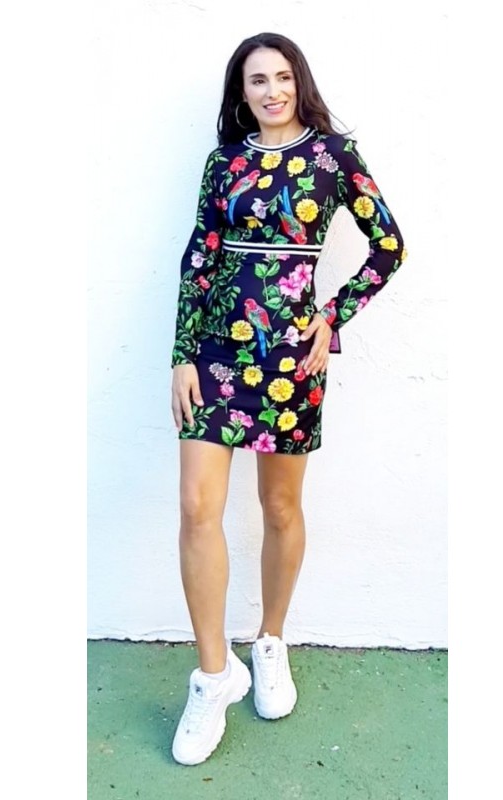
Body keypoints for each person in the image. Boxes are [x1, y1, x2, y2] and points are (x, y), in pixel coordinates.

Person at [169, 32, 406, 766]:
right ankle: (214, 676)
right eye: (256, 80)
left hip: (290, 357)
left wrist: (332, 316)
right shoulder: (224, 163)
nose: (271, 91)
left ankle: (270, 641)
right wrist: (181, 355)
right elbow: (201, 255)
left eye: (281, 77)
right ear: (241, 93)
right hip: (216, 352)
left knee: (278, 507)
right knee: (197, 507)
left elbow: (389, 246)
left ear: (298, 81)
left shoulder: (334, 157)